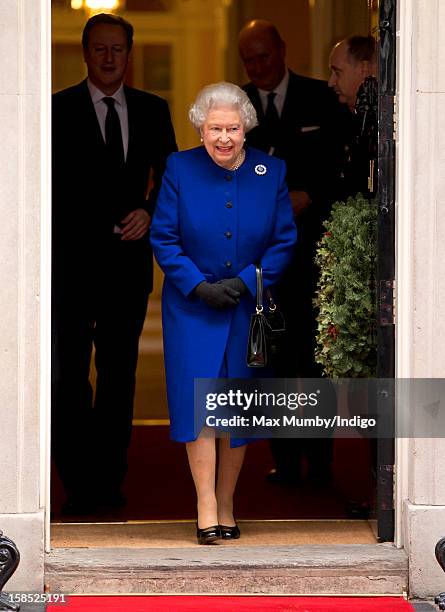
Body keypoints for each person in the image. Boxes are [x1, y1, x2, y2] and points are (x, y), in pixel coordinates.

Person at [150, 82, 296, 544]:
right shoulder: (179, 168)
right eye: (215, 128)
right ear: (199, 127)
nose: (224, 138)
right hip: (193, 308)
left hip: (246, 308)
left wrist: (251, 278)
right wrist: (196, 284)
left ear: (246, 127)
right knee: (203, 405)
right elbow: (164, 237)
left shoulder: (270, 171)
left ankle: (228, 502)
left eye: (232, 128)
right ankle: (205, 505)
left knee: (237, 410)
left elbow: (284, 240)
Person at [52, 13, 177, 515]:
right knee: (69, 376)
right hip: (72, 265)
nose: (108, 58)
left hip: (127, 266)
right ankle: (77, 479)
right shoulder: (57, 109)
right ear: (86, 54)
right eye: (99, 49)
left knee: (119, 374)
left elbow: (172, 178)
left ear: (129, 53)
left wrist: (148, 213)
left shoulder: (152, 109)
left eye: (117, 49)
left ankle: (110, 477)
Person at [238, 19, 343, 485]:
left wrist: (310, 196)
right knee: (274, 354)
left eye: (264, 56)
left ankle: (319, 462)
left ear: (281, 50)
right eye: (249, 60)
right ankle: (284, 457)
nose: (257, 67)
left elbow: (345, 164)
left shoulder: (322, 96)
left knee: (316, 359)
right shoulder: (237, 107)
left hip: (316, 251)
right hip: (264, 256)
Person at [328, 35, 377, 199]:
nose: (331, 82)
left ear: (364, 69)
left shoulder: (382, 121)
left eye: (337, 72)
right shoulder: (337, 116)